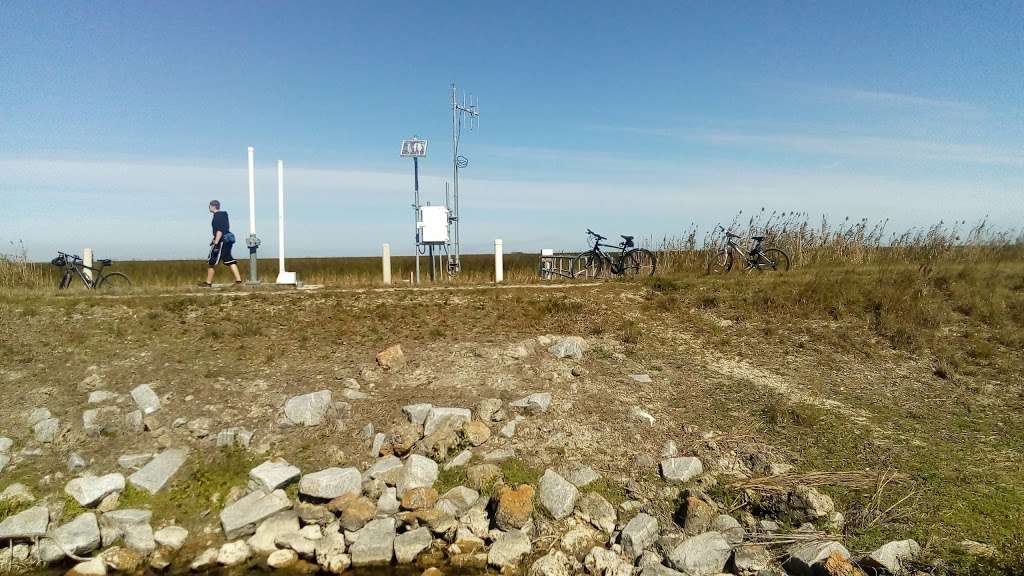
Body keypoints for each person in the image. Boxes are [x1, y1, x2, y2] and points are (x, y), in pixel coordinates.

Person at [201, 200, 242, 286]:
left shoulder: (217, 216)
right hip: (227, 240)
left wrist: (216, 242)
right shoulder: (224, 215)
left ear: (213, 206)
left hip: (221, 241)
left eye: (209, 206)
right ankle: (238, 281)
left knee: (212, 261)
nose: (208, 208)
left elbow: (219, 230)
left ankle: (208, 283)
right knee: (228, 259)